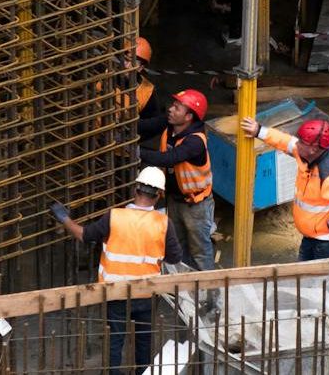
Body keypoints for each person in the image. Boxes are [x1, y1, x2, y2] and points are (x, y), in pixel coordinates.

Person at [51, 167, 185, 374]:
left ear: (135, 190)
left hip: (116, 292)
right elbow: (175, 257)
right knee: (144, 340)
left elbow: (84, 235)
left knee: (115, 339)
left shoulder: (114, 217)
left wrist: (65, 219)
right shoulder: (163, 223)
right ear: (158, 196)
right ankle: (143, 371)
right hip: (146, 293)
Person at [239, 117, 329, 261]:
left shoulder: (327, 173)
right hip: (312, 237)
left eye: (301, 142)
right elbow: (285, 142)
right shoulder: (309, 153)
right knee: (304, 277)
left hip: (328, 244)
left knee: (322, 282)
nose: (296, 143)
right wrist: (259, 131)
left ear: (313, 148)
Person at [136, 89, 216, 275]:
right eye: (173, 105)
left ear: (189, 117)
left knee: (200, 254)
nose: (171, 109)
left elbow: (169, 158)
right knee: (178, 249)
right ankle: (186, 294)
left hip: (196, 205)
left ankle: (213, 299)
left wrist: (136, 151)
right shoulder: (170, 126)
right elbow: (146, 126)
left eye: (177, 108)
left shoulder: (195, 142)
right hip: (175, 200)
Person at [132, 37, 168, 149]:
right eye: (125, 59)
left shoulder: (146, 91)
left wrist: (131, 133)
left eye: (132, 62)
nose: (126, 65)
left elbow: (155, 124)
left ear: (141, 67)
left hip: (122, 151)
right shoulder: (106, 75)